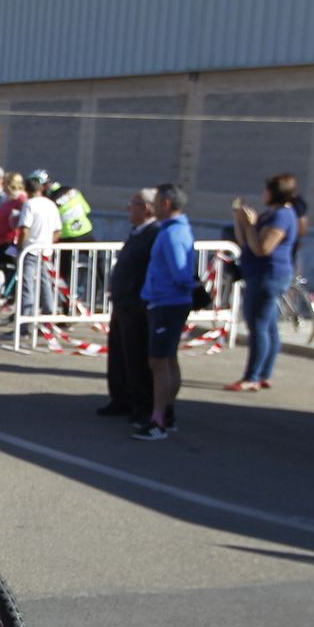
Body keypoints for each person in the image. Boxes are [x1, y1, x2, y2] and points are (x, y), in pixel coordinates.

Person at [227, 173, 300, 392]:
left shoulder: (282, 217)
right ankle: (263, 374)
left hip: (268, 277)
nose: (263, 194)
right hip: (261, 275)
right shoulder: (272, 214)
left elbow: (262, 248)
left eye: (267, 190)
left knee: (258, 326)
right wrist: (240, 220)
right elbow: (247, 243)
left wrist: (250, 226)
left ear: (275, 192)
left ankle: (253, 376)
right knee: (268, 326)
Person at [135, 183, 195, 441]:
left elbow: (180, 272)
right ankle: (167, 413)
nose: (154, 206)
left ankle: (158, 419)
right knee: (168, 359)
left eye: (157, 201)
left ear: (167, 204)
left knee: (158, 362)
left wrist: (191, 286)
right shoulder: (173, 230)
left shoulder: (172, 234)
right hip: (166, 301)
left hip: (167, 303)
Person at [100, 189, 159, 422]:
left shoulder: (155, 233)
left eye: (132, 204)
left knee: (136, 357)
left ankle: (142, 405)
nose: (128, 208)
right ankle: (120, 399)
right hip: (123, 301)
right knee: (119, 355)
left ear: (145, 208)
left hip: (136, 303)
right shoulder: (138, 231)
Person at [14, 173, 63, 336]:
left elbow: (24, 229)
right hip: (46, 251)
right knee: (46, 285)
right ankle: (49, 320)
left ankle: (24, 325)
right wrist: (49, 244)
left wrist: (20, 247)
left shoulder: (29, 205)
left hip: (31, 250)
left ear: (26, 190)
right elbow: (58, 230)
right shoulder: (51, 204)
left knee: (27, 286)